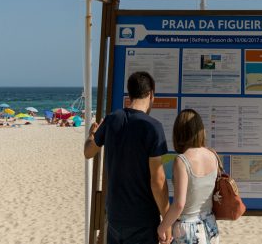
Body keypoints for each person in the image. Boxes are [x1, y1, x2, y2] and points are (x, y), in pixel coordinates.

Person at [84, 71, 169, 244]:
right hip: (143, 219)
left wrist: (92, 135)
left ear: (129, 94)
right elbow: (158, 180)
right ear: (151, 94)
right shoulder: (153, 127)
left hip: (115, 217)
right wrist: (167, 218)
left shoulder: (112, 119)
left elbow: (88, 152)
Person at [157, 110, 219, 244]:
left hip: (188, 228)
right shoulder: (213, 155)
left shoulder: (182, 160)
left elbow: (179, 204)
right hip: (209, 223)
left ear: (179, 133)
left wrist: (162, 227)